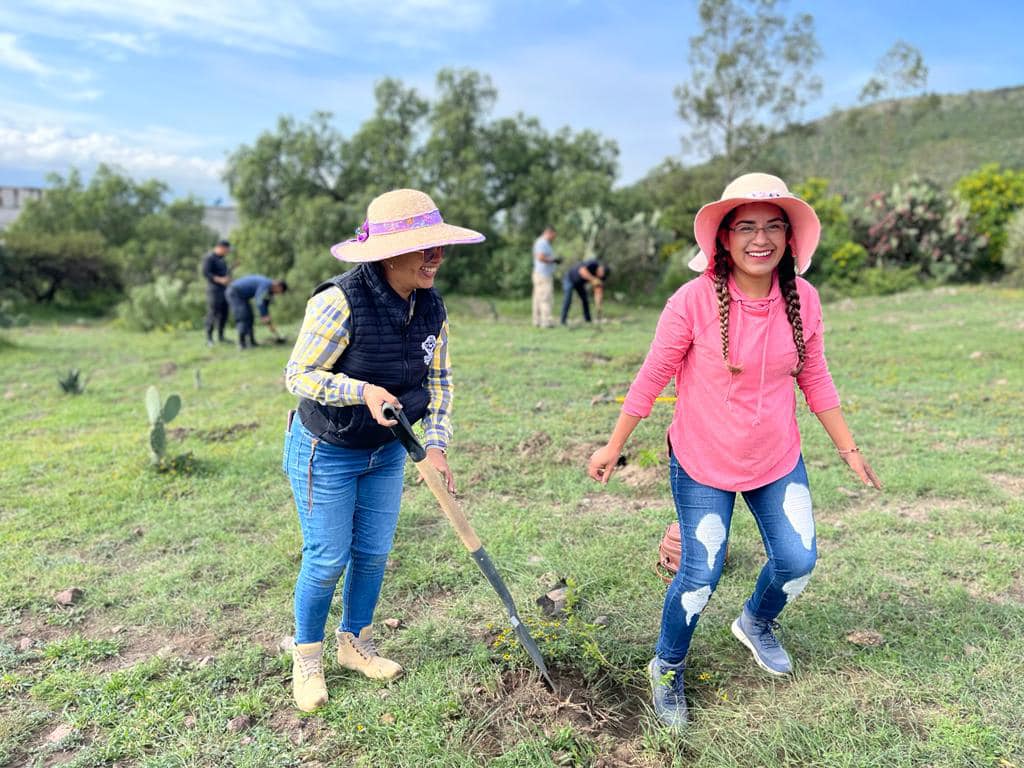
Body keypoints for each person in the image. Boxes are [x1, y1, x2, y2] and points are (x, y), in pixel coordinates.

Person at [587, 173, 882, 729]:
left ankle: (756, 622)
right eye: (746, 227)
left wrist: (849, 449)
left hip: (776, 456)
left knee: (798, 561)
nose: (760, 239)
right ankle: (667, 665)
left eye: (774, 227)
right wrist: (614, 444)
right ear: (723, 239)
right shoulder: (691, 302)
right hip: (703, 459)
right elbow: (653, 376)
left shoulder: (805, 300)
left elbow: (814, 375)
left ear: (790, 239)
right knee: (701, 573)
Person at [282, 188, 484, 712]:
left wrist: (435, 446)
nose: (436, 257)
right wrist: (361, 390)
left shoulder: (432, 307)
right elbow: (298, 375)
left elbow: (439, 384)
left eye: (439, 246)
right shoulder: (338, 301)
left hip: (388, 450)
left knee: (372, 554)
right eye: (424, 248)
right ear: (388, 253)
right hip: (327, 447)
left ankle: (356, 644)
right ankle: (308, 659)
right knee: (328, 558)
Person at [225, 274, 288, 349]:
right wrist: (264, 315)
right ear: (278, 286)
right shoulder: (266, 284)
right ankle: (241, 344)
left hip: (242, 297)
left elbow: (265, 303)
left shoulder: (268, 288)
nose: (277, 294)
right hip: (234, 293)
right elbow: (259, 300)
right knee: (243, 316)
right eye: (279, 292)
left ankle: (252, 342)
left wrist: (266, 316)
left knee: (250, 317)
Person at [201, 239, 232, 346]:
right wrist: (220, 280)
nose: (228, 252)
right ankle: (209, 338)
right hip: (214, 290)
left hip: (224, 290)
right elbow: (206, 273)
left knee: (224, 313)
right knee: (213, 313)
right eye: (227, 250)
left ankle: (221, 336)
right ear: (221, 247)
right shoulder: (209, 258)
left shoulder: (222, 259)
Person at [561, 258, 610, 325]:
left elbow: (598, 291)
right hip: (569, 278)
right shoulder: (593, 263)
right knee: (568, 299)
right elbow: (582, 271)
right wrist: (593, 279)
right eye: (600, 273)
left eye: (601, 276)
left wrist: (598, 306)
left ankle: (588, 320)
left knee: (585, 300)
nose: (599, 275)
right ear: (601, 268)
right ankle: (563, 321)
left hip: (580, 283)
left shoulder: (600, 277)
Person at [532, 226, 559, 328]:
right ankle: (546, 322)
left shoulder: (543, 243)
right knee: (545, 298)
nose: (554, 238)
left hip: (540, 274)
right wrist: (553, 260)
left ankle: (537, 321)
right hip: (543, 275)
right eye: (553, 236)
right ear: (549, 233)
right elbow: (540, 257)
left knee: (538, 298)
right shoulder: (542, 243)